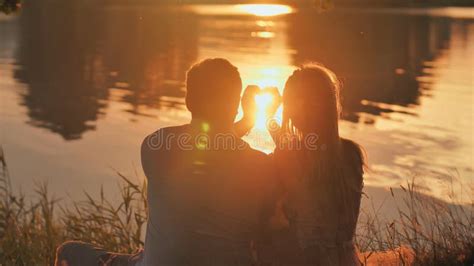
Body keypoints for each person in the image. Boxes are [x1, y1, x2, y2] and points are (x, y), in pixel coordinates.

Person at [55, 58, 277, 266]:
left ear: (188, 101)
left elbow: (207, 147)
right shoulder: (259, 167)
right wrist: (253, 120)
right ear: (234, 105)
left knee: (69, 252)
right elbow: (218, 148)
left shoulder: (156, 146)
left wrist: (244, 124)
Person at [264, 64, 366, 266]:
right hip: (345, 259)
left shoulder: (291, 155)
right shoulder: (352, 154)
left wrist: (269, 114)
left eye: (291, 101)